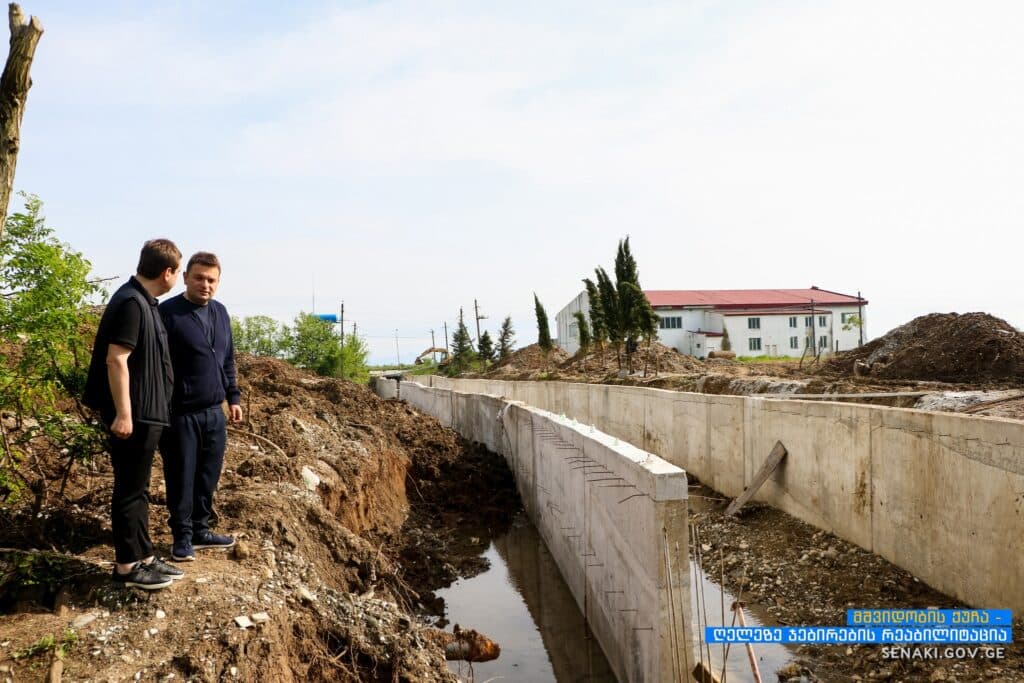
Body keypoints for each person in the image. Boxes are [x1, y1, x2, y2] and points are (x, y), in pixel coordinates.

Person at [83, 239, 185, 590]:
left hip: (149, 413)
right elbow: (117, 359)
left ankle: (144, 556)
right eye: (178, 271)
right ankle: (127, 566)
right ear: (167, 271)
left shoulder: (146, 303)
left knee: (138, 489)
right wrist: (124, 414)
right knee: (129, 489)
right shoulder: (130, 302)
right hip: (135, 416)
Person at [159, 251, 242, 562]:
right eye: (199, 278)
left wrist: (233, 397)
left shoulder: (220, 313)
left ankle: (201, 530)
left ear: (217, 283)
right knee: (182, 477)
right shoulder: (168, 313)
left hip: (213, 413)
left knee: (208, 475)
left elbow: (228, 359)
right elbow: (157, 364)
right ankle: (181, 537)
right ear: (185, 278)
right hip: (180, 414)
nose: (205, 284)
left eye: (211, 280)